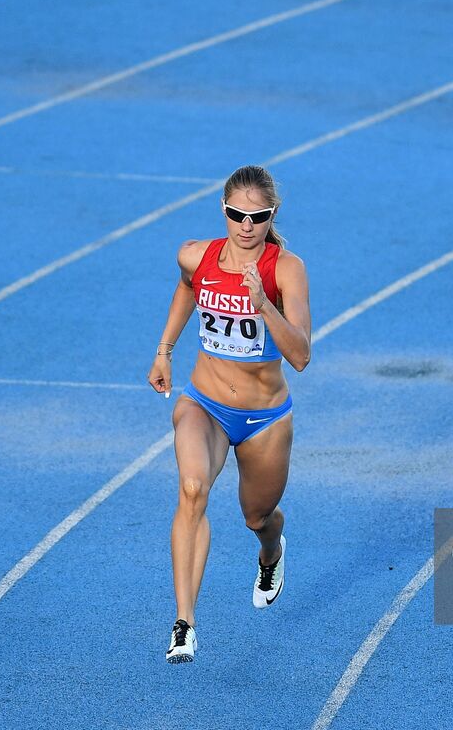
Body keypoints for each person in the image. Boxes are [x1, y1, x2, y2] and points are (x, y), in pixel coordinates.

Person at [147, 165, 311, 663]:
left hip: (264, 419)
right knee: (193, 489)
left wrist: (264, 304)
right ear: (224, 210)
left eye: (256, 216)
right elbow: (186, 289)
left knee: (256, 517)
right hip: (205, 404)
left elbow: (301, 355)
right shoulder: (196, 255)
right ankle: (184, 624)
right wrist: (164, 350)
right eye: (237, 214)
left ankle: (271, 551)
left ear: (271, 216)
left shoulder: (286, 269)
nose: (246, 225)